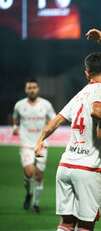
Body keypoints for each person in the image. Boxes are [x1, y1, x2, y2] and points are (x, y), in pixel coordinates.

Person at [35, 52, 101, 231]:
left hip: (66, 166)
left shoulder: (79, 95)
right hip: (89, 169)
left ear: (86, 74)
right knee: (86, 224)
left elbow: (56, 121)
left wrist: (40, 140)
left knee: (66, 223)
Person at [12, 79, 56, 213]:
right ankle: (28, 193)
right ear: (26, 90)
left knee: (38, 176)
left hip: (41, 144)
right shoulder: (19, 105)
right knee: (29, 172)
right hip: (26, 143)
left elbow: (54, 119)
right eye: (29, 88)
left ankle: (36, 204)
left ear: (38, 89)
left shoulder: (46, 104)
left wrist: (50, 123)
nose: (32, 90)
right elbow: (15, 117)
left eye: (34, 87)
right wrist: (15, 126)